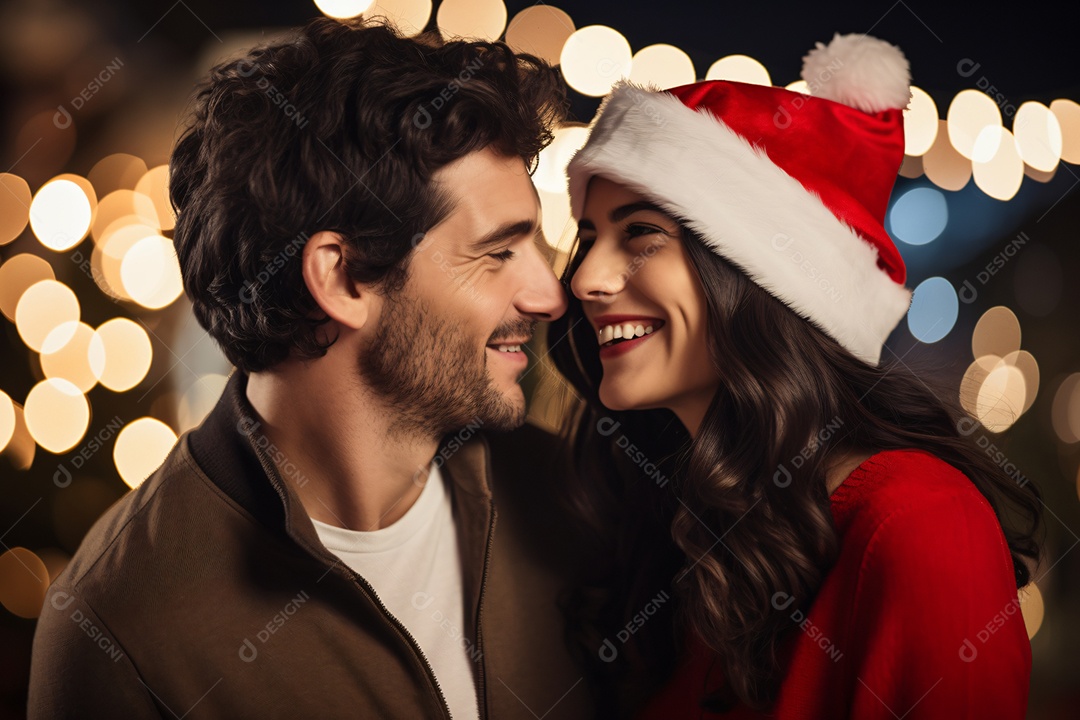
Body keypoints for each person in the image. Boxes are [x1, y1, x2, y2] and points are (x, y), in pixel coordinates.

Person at [29, 17, 594, 719]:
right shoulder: (120, 629)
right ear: (342, 276)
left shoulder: (574, 502)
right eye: (497, 252)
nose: (549, 296)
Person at [550, 33, 1041, 719]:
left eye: (640, 235)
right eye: (590, 236)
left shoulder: (918, 523)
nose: (585, 279)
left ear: (759, 277)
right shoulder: (694, 525)